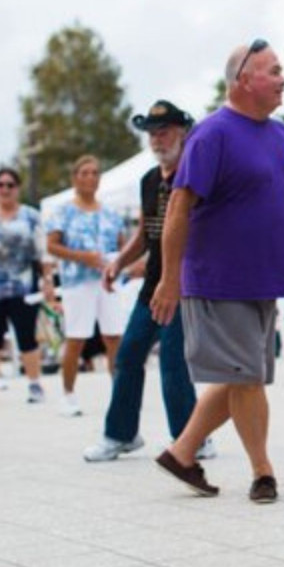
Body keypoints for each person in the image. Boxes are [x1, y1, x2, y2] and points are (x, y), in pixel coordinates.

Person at [150, 39, 284, 504]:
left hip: (264, 279)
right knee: (247, 377)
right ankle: (262, 472)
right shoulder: (212, 134)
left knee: (240, 374)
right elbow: (178, 209)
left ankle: (182, 453)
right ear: (244, 80)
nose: (283, 80)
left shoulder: (283, 135)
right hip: (221, 279)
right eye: (275, 71)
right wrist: (169, 278)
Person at [84, 101, 210, 463]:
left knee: (172, 359)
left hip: (185, 284)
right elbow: (145, 233)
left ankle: (191, 440)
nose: (157, 139)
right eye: (152, 133)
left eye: (164, 131)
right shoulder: (150, 180)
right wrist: (119, 262)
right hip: (153, 284)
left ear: (182, 133)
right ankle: (121, 435)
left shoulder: (195, 176)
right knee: (128, 355)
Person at [46, 155, 126, 417]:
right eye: (85, 173)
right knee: (77, 337)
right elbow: (52, 245)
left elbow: (123, 245)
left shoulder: (111, 213)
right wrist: (82, 257)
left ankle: (119, 393)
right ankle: (68, 394)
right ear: (75, 178)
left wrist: (124, 266)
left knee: (113, 336)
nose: (90, 177)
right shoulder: (63, 211)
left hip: (108, 281)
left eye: (94, 173)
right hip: (77, 281)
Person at [0, 168, 53, 406]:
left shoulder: (31, 216)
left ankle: (34, 384)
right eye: (0, 184)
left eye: (10, 185)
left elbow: (43, 252)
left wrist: (47, 280)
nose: (4, 189)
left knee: (27, 337)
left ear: (17, 188)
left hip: (23, 286)